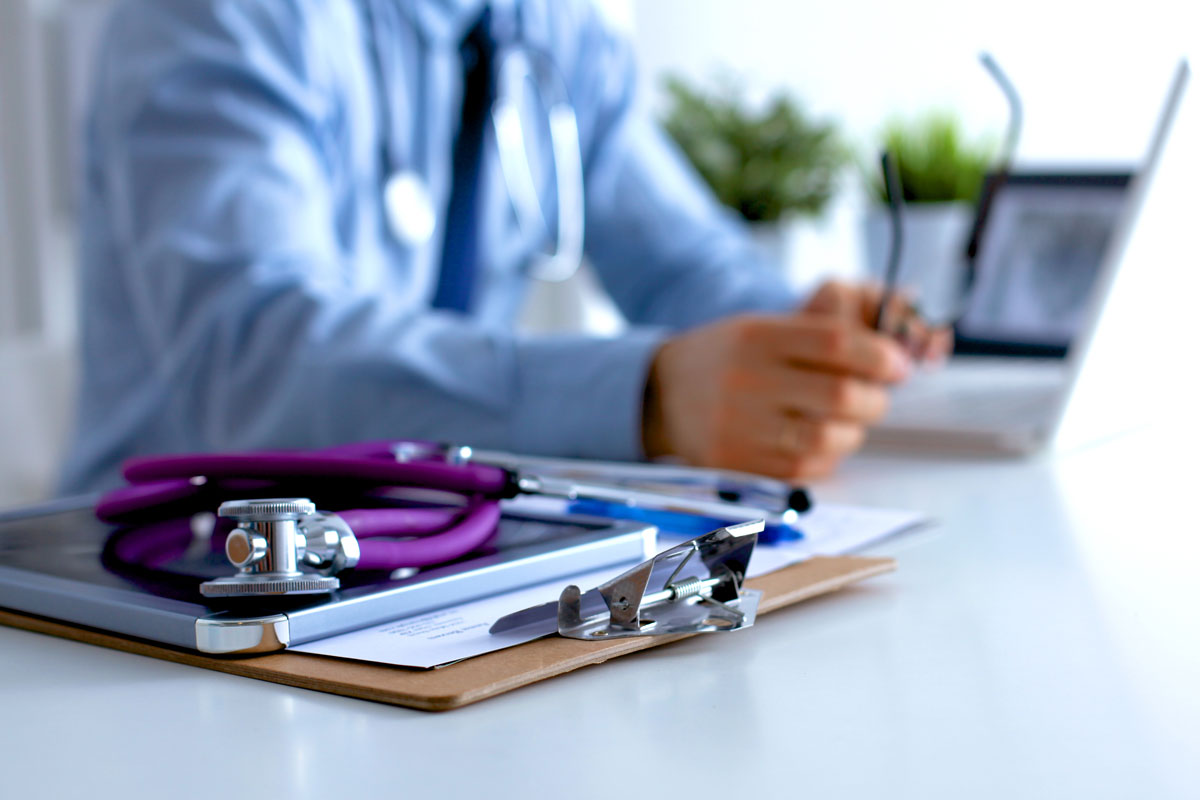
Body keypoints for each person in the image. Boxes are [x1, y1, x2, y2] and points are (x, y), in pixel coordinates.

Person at [60, 0, 946, 493]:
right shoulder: (216, 17)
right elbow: (256, 358)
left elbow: (682, 262)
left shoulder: (550, 28)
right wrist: (646, 398)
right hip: (166, 576)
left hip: (423, 554)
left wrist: (804, 334)